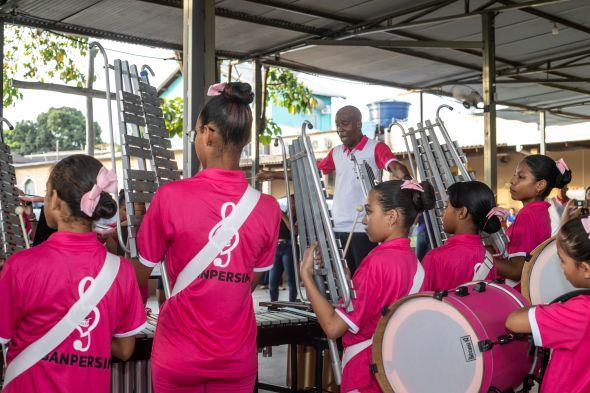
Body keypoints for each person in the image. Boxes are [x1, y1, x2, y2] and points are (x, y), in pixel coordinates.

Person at [134, 82, 281, 393]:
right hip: (236, 358)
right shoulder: (268, 209)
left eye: (196, 133)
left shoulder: (170, 197)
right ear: (247, 139)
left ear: (209, 134)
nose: (196, 140)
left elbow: (140, 277)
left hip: (177, 355)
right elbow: (249, 281)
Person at [0, 154, 146, 392]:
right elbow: (125, 348)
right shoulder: (122, 271)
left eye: (47, 194)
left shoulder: (21, 266)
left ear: (55, 200)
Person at [300, 179, 435, 392]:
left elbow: (333, 327)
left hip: (366, 375)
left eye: (370, 212)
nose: (364, 221)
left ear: (392, 217)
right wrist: (349, 282)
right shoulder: (414, 263)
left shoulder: (377, 262)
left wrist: (306, 276)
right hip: (396, 372)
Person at [318, 106, 410, 275]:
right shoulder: (336, 152)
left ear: (359, 124)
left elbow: (394, 166)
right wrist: (276, 174)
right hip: (338, 228)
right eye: (337, 124)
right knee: (343, 284)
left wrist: (406, 180)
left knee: (366, 279)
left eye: (344, 123)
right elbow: (313, 171)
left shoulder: (375, 147)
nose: (340, 129)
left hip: (365, 229)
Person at [505, 214, 590, 393]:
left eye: (562, 260)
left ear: (585, 269)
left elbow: (513, 321)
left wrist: (551, 308)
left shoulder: (579, 312)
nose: (560, 267)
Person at [496, 155, 572, 287]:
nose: (512, 181)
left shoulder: (527, 215)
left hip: (516, 293)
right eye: (514, 174)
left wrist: (479, 255)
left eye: (521, 176)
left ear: (540, 185)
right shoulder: (539, 212)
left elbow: (517, 270)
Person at [421, 181, 503, 291]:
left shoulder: (435, 258)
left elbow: (420, 305)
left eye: (446, 206)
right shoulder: (488, 260)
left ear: (462, 212)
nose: (442, 213)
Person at [269, 195, 297, 302]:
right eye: (289, 202)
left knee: (291, 279)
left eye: (292, 202)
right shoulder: (281, 214)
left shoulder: (298, 216)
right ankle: (273, 305)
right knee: (273, 280)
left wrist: (283, 216)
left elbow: (294, 231)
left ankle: (292, 304)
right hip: (276, 247)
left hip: (289, 247)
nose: (290, 204)